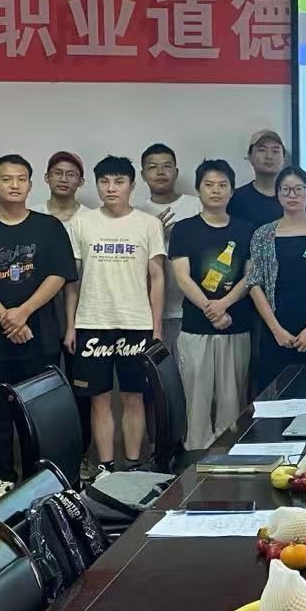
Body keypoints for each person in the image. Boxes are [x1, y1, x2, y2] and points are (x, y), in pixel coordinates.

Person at [0, 155, 76, 480]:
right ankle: (2, 482)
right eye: (7, 179)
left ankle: (41, 482)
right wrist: (6, 318)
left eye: (21, 179)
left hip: (40, 339)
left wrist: (22, 313)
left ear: (30, 184)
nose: (15, 185)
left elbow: (58, 275)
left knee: (39, 417)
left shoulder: (49, 228)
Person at [66, 156, 167, 474]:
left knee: (134, 397)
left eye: (119, 182)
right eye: (105, 182)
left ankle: (134, 465)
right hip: (91, 322)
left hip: (136, 323)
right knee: (98, 400)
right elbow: (72, 282)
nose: (111, 188)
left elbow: (157, 278)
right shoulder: (81, 223)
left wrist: (156, 328)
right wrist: (70, 326)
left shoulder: (148, 224)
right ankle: (106, 468)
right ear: (97, 185)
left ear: (132, 186)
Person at [169, 160, 255, 447]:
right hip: (196, 327)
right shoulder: (184, 229)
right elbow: (182, 277)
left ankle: (231, 456)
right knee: (196, 399)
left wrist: (224, 305)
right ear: (198, 189)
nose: (216, 190)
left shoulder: (246, 229)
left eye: (222, 185)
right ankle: (195, 455)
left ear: (232, 191)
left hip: (236, 325)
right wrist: (211, 308)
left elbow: (250, 276)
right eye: (209, 185)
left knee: (233, 401)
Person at [247, 166, 306, 392]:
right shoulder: (261, 234)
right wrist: (276, 330)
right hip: (275, 326)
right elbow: (253, 283)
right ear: (277, 194)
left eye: (298, 189)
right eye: (286, 189)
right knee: (276, 396)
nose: (292, 195)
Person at [139, 142, 202, 357]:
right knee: (157, 375)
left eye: (166, 166)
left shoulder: (197, 205)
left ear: (176, 172)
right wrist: (152, 232)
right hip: (149, 313)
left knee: (191, 374)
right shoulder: (137, 213)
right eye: (152, 167)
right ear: (142, 175)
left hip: (193, 309)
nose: (160, 172)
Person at [229, 129, 289, 231]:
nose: (269, 156)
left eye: (275, 151)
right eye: (262, 150)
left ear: (284, 157)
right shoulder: (236, 198)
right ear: (250, 156)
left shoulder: (297, 195)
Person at [39, 150, 85, 226]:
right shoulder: (32, 216)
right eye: (58, 173)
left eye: (70, 175)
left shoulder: (90, 218)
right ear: (47, 177)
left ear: (81, 181)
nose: (63, 179)